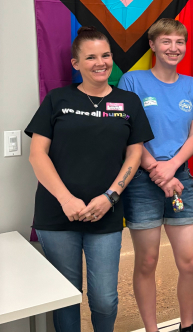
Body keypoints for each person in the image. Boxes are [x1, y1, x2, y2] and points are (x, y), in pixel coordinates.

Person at [25, 26, 153, 332]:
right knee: (66, 297)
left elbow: (134, 156)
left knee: (105, 299)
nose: (101, 62)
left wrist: (110, 197)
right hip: (57, 215)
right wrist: (66, 199)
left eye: (106, 55)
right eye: (91, 56)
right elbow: (37, 155)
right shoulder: (57, 99)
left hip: (105, 214)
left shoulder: (129, 101)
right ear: (76, 63)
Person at [118, 19, 193, 332]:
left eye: (180, 42)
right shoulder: (132, 81)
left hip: (180, 178)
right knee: (147, 261)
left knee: (190, 261)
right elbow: (128, 131)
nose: (174, 48)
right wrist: (157, 169)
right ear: (153, 45)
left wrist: (171, 168)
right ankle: (152, 329)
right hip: (142, 180)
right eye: (166, 41)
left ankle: (187, 326)